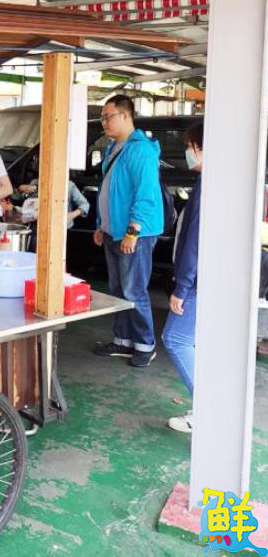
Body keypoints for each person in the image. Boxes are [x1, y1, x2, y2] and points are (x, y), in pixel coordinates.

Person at [92, 94, 164, 367]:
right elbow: (109, 190)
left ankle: (145, 345)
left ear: (125, 116)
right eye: (103, 118)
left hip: (136, 234)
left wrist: (133, 232)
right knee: (117, 289)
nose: (104, 123)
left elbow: (145, 194)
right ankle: (122, 340)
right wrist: (101, 225)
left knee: (134, 290)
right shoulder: (113, 148)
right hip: (113, 231)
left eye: (108, 116)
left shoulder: (141, 150)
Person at [162, 123, 203, 432]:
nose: (187, 152)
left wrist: (183, 286)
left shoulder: (209, 186)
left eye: (190, 146)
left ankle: (207, 409)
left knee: (175, 338)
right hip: (205, 279)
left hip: (198, 281)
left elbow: (194, 241)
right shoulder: (210, 181)